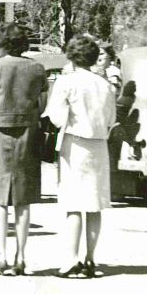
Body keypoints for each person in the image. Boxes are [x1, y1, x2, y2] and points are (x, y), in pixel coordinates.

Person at [0, 22, 47, 276]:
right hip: (28, 133)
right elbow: (42, 104)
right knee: (23, 198)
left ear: (2, 43)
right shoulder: (37, 68)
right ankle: (21, 256)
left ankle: (1, 255)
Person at [46, 35, 116, 278]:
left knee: (73, 205)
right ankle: (90, 259)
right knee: (94, 205)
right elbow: (110, 120)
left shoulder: (66, 82)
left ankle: (71, 259)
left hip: (74, 143)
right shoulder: (106, 85)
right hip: (98, 145)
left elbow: (56, 117)